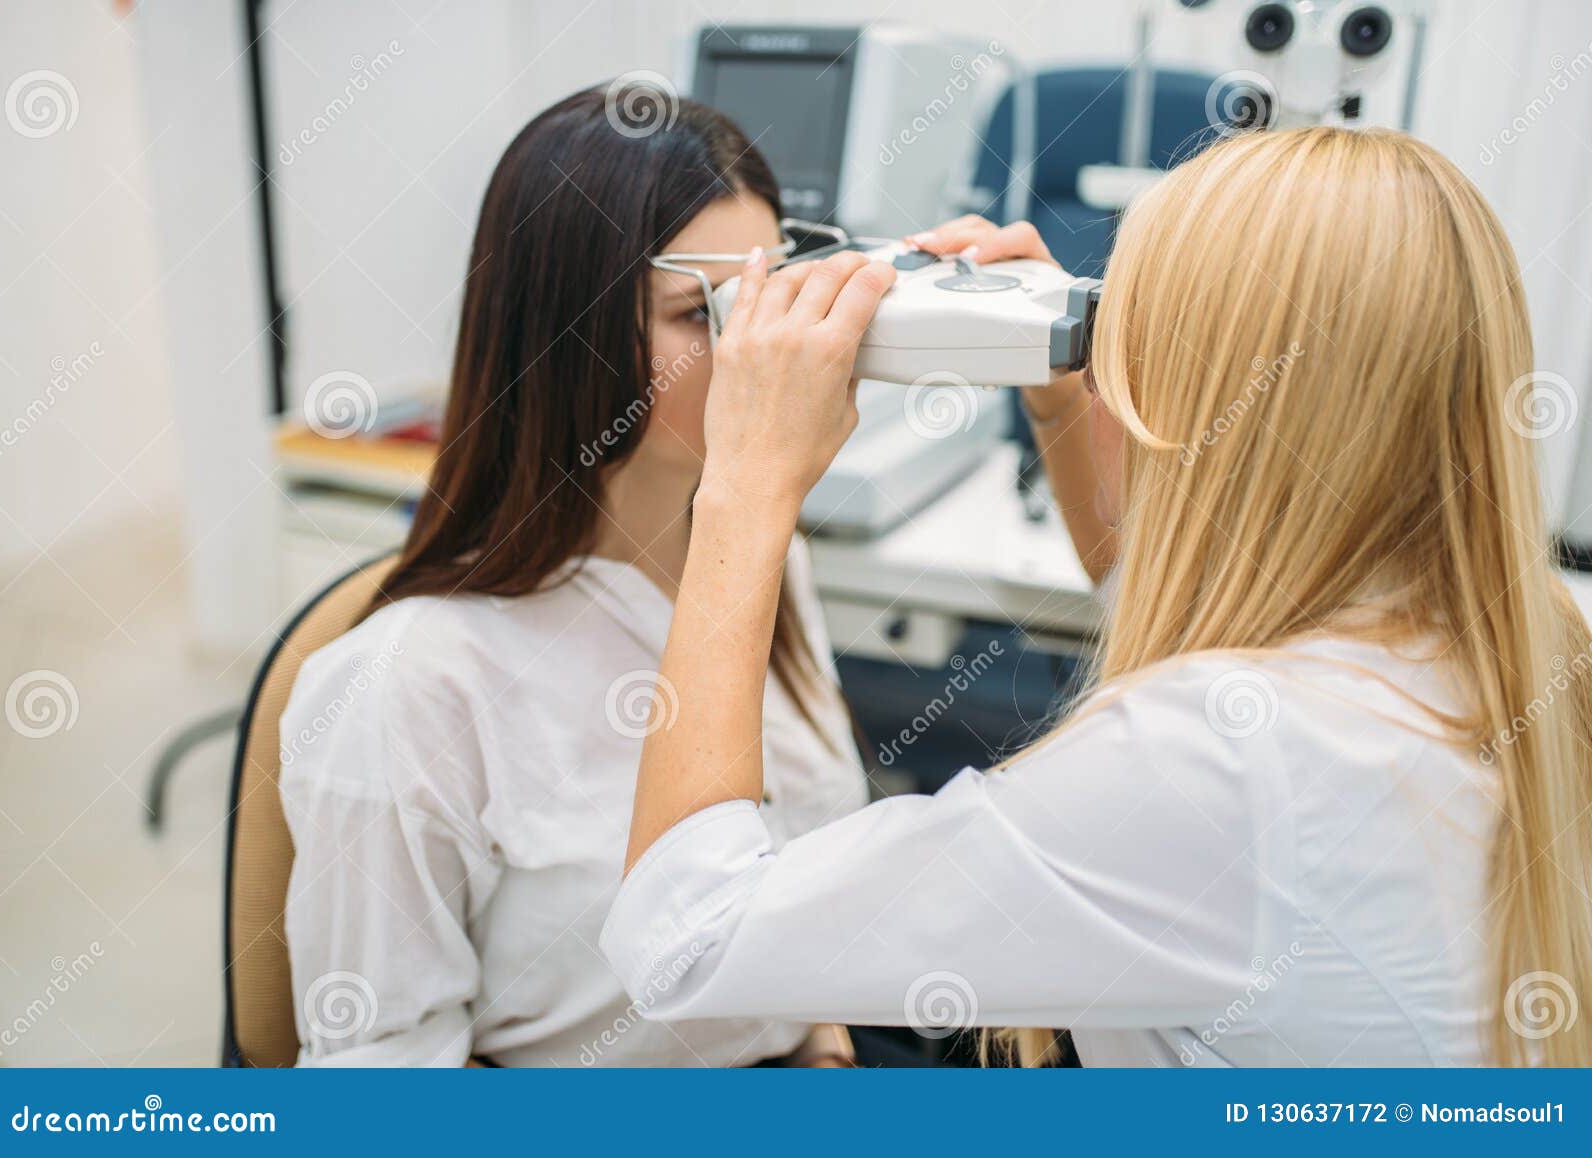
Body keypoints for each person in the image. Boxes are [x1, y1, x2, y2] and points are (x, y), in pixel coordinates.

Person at [600, 126, 1592, 1067]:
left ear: (1208, 407)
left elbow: (684, 939)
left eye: (1115, 331)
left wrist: (744, 482)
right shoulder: (1530, 637)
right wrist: (1057, 395)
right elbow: (1177, 599)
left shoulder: (1213, 762)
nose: (1097, 360)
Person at [278, 87, 866, 1066]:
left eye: (772, 300)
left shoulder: (764, 561)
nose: (765, 352)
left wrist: (828, 1057)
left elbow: (789, 904)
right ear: (566, 336)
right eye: (703, 312)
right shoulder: (406, 691)